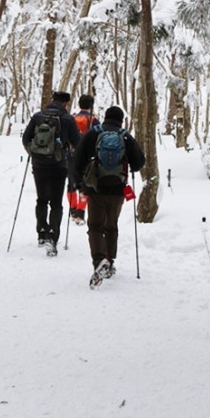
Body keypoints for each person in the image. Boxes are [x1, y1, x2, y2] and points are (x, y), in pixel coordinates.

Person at [72, 104, 145, 287]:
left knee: (95, 226)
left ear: (105, 117)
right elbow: (138, 163)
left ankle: (99, 261)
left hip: (96, 189)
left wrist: (80, 184)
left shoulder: (93, 133)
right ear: (121, 120)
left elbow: (77, 159)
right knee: (111, 225)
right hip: (118, 189)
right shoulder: (125, 136)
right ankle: (110, 261)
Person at [21, 90, 81, 255]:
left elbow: (25, 139)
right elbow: (78, 142)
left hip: (38, 165)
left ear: (52, 99)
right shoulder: (67, 119)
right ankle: (52, 237)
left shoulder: (37, 116)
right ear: (66, 103)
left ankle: (41, 233)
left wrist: (33, 153)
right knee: (56, 202)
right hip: (58, 165)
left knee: (41, 199)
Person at [67, 93, 99, 224]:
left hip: (70, 154)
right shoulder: (94, 120)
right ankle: (80, 212)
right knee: (84, 183)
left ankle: (72, 209)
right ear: (91, 106)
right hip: (86, 156)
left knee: (71, 182)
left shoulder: (72, 118)